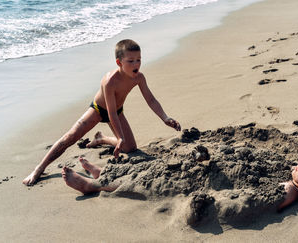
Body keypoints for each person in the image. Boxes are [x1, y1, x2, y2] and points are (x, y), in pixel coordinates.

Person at [23, 39, 181, 186]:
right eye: (131, 61)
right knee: (69, 138)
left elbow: (151, 100)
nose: (136, 64)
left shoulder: (138, 78)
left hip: (117, 111)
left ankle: (102, 139)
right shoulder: (109, 81)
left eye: (139, 59)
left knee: (130, 147)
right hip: (98, 110)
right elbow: (110, 113)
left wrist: (165, 118)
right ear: (119, 62)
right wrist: (119, 137)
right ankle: (39, 168)